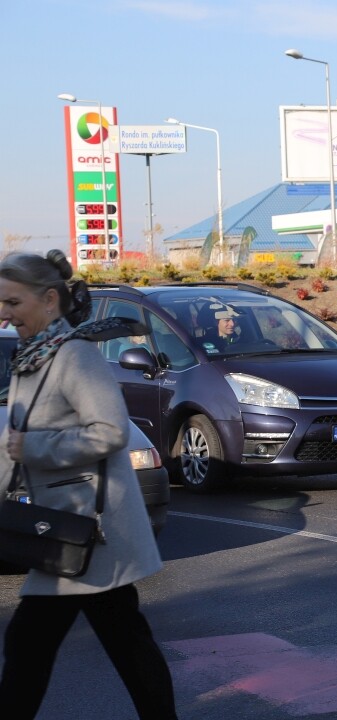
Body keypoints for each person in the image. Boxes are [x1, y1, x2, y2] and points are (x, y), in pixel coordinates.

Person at [0, 250, 178, 719]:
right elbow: (11, 445)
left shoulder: (75, 356)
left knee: (31, 646)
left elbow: (110, 431)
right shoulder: (31, 361)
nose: (4, 313)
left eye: (13, 302)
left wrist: (36, 449)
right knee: (124, 643)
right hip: (61, 528)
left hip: (90, 531)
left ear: (49, 299)